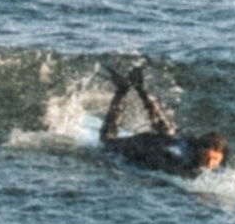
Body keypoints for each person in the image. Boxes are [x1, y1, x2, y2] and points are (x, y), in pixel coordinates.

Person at [97, 64, 228, 179]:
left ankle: (139, 87)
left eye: (215, 160)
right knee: (106, 142)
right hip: (142, 146)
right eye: (207, 158)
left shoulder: (193, 151)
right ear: (200, 150)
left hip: (160, 142)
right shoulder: (182, 159)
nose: (210, 164)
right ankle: (122, 90)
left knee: (168, 132)